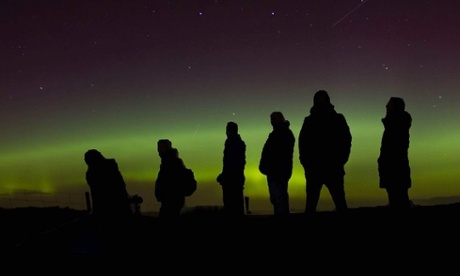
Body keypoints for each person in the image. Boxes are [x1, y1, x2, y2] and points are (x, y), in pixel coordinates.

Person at [298, 90, 352, 213]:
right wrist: (306, 162)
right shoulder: (309, 120)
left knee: (340, 202)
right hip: (314, 169)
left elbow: (346, 139)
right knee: (311, 204)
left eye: (323, 98)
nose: (321, 101)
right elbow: (303, 143)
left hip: (333, 167)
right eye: (318, 99)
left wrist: (341, 159)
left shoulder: (338, 118)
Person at [378, 97, 412, 210]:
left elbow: (394, 148)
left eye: (389, 104)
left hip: (395, 166)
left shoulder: (396, 123)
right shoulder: (396, 123)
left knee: (398, 195)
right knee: (395, 194)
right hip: (393, 165)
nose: (386, 106)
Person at [259, 111, 295, 216]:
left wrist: (270, 166)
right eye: (272, 119)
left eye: (274, 118)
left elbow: (280, 154)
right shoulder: (277, 134)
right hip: (274, 172)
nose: (272, 121)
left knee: (279, 198)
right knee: (276, 198)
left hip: (278, 172)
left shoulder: (284, 134)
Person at [155, 139, 196, 219]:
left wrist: (164, 192)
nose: (158, 151)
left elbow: (170, 182)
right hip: (171, 200)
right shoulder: (168, 162)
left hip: (172, 200)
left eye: (160, 148)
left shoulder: (171, 163)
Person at [84, 149, 132, 217]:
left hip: (113, 207)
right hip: (115, 207)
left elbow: (96, 193)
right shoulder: (109, 167)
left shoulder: (93, 173)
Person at [217, 121, 246, 217]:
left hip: (231, 179)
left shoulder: (231, 142)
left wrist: (224, 176)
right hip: (236, 178)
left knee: (231, 205)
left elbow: (230, 163)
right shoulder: (240, 143)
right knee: (237, 204)